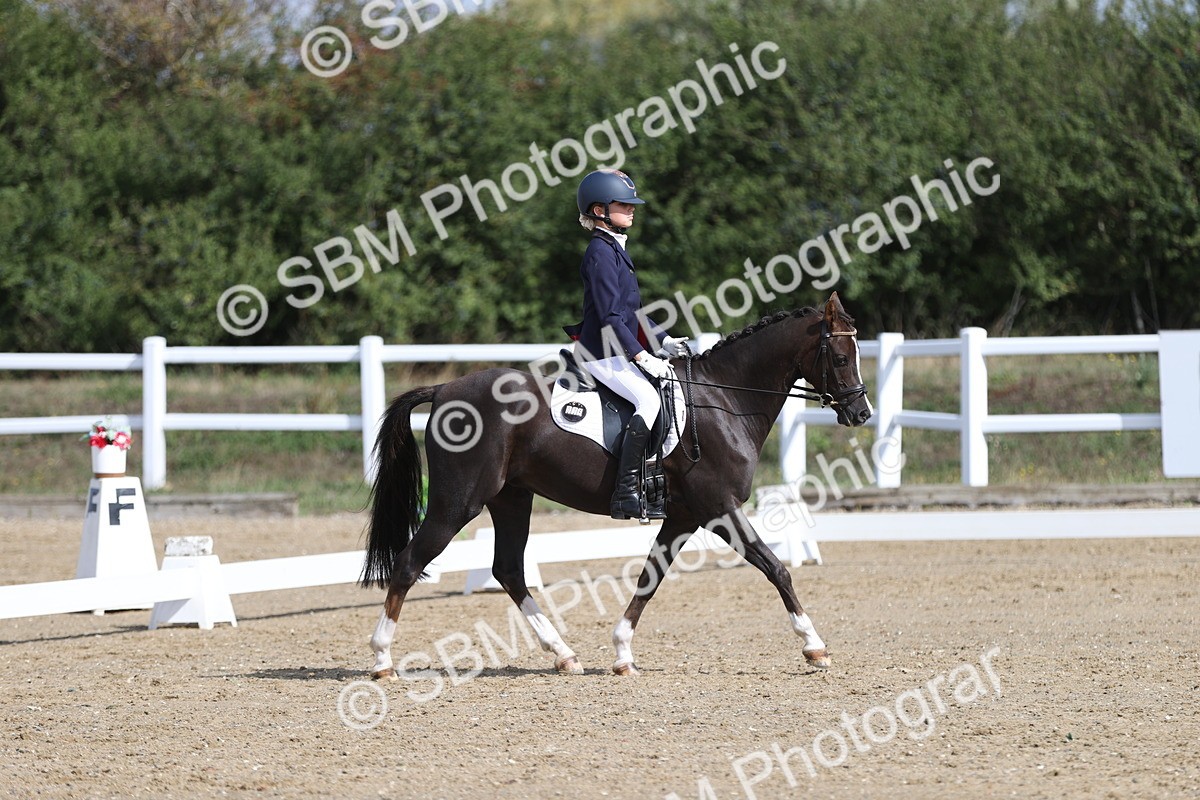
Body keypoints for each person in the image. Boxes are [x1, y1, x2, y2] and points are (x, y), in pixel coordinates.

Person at [564, 169, 689, 520]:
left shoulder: (614, 249)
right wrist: (641, 356)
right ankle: (627, 492)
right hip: (599, 353)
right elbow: (608, 317)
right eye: (624, 204)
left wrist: (663, 340)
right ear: (600, 210)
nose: (632, 210)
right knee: (648, 399)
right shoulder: (600, 253)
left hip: (614, 348)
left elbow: (631, 312)